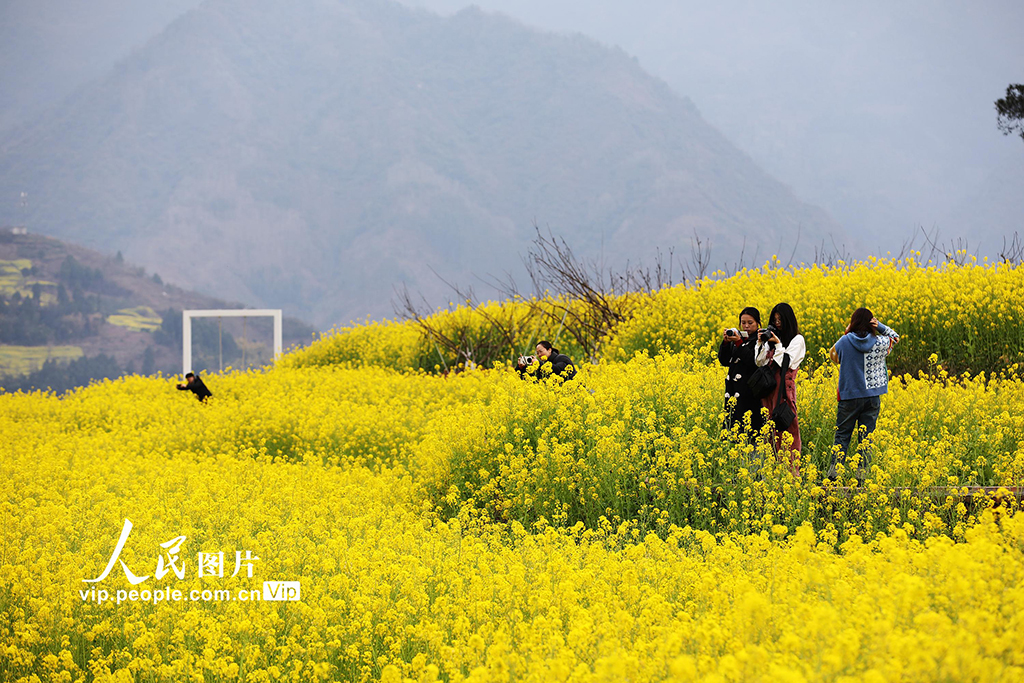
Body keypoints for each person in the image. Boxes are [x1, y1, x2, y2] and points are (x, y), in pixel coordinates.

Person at [827, 308, 899, 484]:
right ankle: (861, 479)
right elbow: (895, 337)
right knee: (866, 438)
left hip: (849, 396)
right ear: (870, 323)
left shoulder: (844, 341)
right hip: (872, 396)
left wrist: (847, 332)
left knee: (842, 436)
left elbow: (833, 356)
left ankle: (834, 477)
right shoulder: (880, 342)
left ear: (853, 322)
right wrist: (880, 326)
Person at [755, 303, 805, 464]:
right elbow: (759, 361)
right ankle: (773, 471)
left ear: (788, 320)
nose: (777, 323)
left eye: (780, 320)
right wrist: (761, 343)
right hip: (768, 391)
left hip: (784, 391)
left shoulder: (797, 340)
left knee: (788, 428)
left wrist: (777, 344)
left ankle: (791, 471)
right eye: (775, 320)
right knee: (770, 430)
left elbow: (786, 362)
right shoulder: (772, 341)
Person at [718, 306, 764, 436]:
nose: (746, 326)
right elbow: (724, 361)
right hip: (733, 392)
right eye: (743, 323)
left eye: (750, 323)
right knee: (734, 428)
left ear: (758, 323)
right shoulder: (738, 338)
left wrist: (739, 343)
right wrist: (726, 343)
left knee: (750, 430)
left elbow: (752, 361)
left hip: (749, 394)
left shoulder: (760, 340)